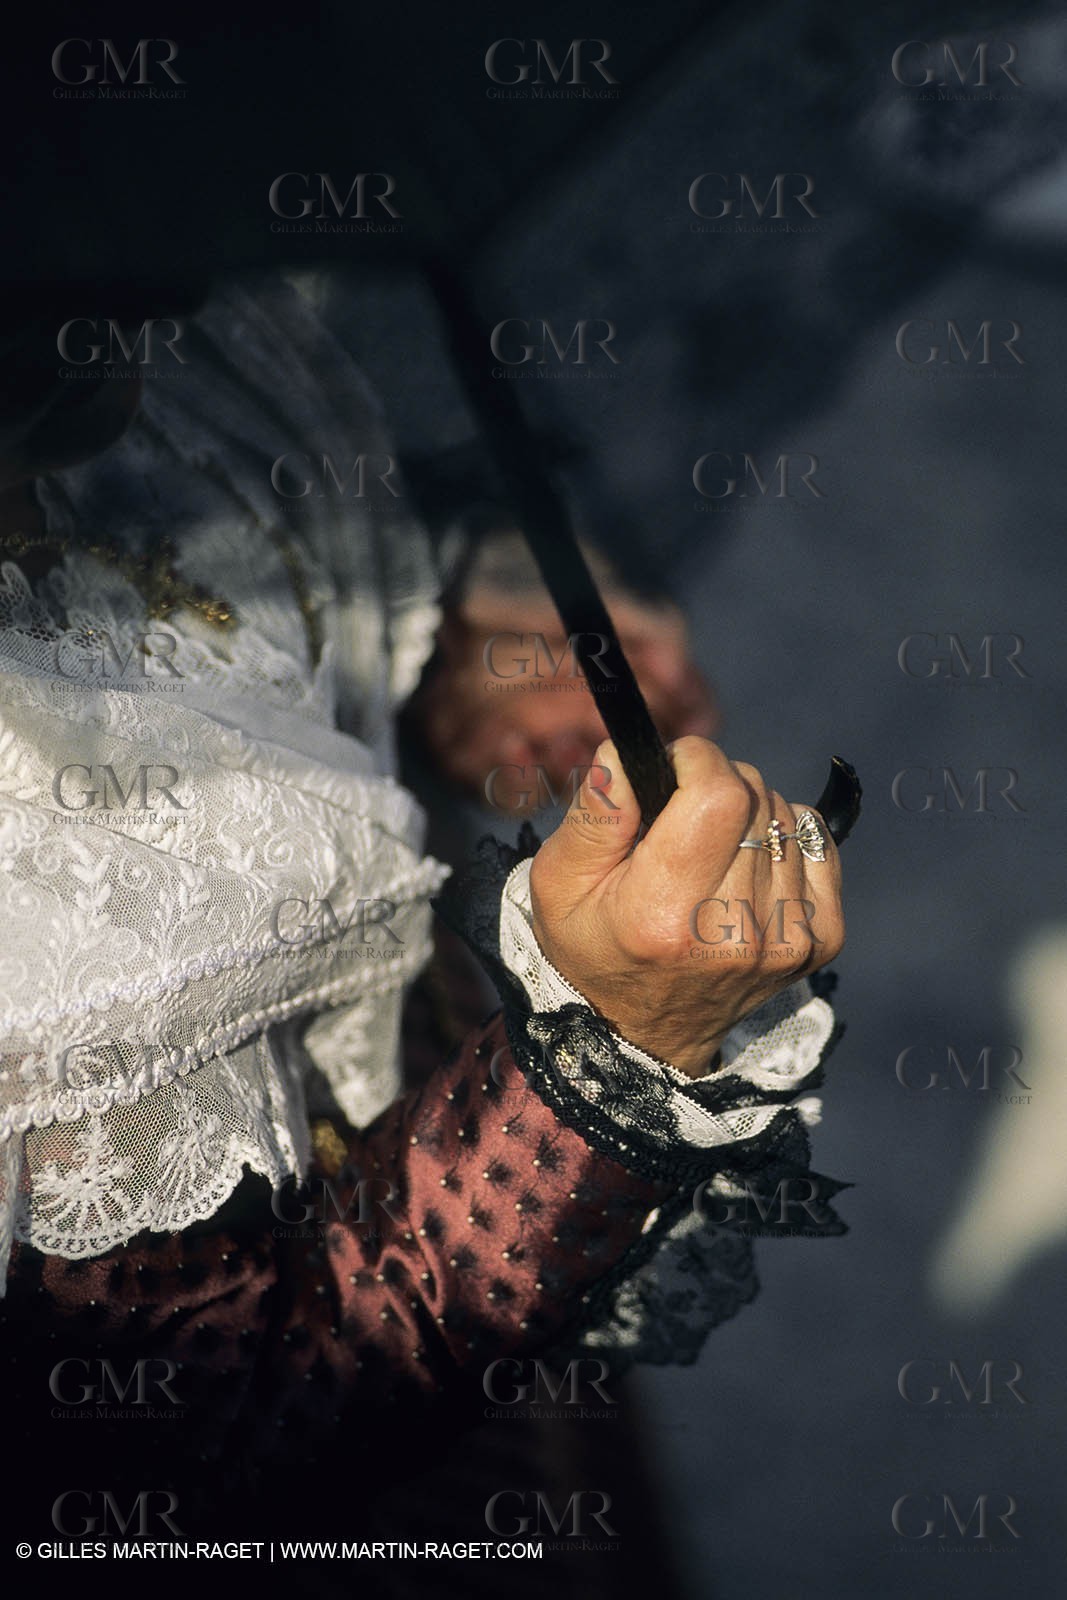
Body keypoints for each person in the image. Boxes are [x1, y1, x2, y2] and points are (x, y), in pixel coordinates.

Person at [0, 274, 845, 1550]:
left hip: (482, 1234)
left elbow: (210, 566)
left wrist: (446, 631)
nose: (100, 360)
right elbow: (210, 1447)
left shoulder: (105, 292)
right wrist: (600, 1072)